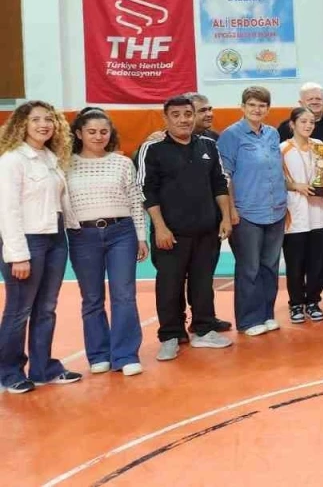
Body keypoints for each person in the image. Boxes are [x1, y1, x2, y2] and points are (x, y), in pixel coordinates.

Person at [138, 96, 233, 362]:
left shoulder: (208, 146)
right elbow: (146, 190)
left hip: (207, 230)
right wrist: (160, 227)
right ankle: (170, 335)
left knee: (203, 283)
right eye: (176, 115)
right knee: (169, 285)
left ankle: (204, 329)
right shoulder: (152, 149)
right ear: (166, 118)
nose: (183, 120)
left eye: (188, 114)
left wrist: (225, 218)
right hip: (171, 233)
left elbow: (219, 184)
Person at [0, 101, 82, 393]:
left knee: (46, 307)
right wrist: (18, 255)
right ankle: (8, 372)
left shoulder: (51, 157)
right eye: (35, 119)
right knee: (19, 309)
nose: (43, 125)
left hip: (55, 238)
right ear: (21, 124)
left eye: (49, 119)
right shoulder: (12, 160)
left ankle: (43, 368)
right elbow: (7, 210)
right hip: (28, 239)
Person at [65, 108, 148, 376]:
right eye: (91, 131)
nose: (98, 136)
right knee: (91, 298)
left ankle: (125, 355)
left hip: (121, 233)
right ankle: (99, 354)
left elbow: (135, 200)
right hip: (82, 236)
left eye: (104, 131)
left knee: (124, 295)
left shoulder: (122, 163)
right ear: (79, 134)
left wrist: (141, 236)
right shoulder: (65, 164)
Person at [218, 87, 288, 337]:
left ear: (268, 109)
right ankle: (249, 319)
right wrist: (231, 210)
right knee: (250, 268)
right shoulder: (231, 135)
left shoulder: (272, 133)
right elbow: (224, 176)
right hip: (246, 212)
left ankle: (267, 314)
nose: (257, 109)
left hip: (276, 210)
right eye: (252, 105)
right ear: (243, 107)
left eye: (262, 105)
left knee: (270, 266)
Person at [280, 108, 323, 324]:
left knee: (317, 262)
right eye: (303, 121)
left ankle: (313, 301)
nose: (308, 125)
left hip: (318, 212)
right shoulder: (282, 149)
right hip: (296, 213)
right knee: (295, 263)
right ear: (292, 124)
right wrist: (295, 186)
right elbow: (276, 179)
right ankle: (296, 303)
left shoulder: (320, 146)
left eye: (311, 122)